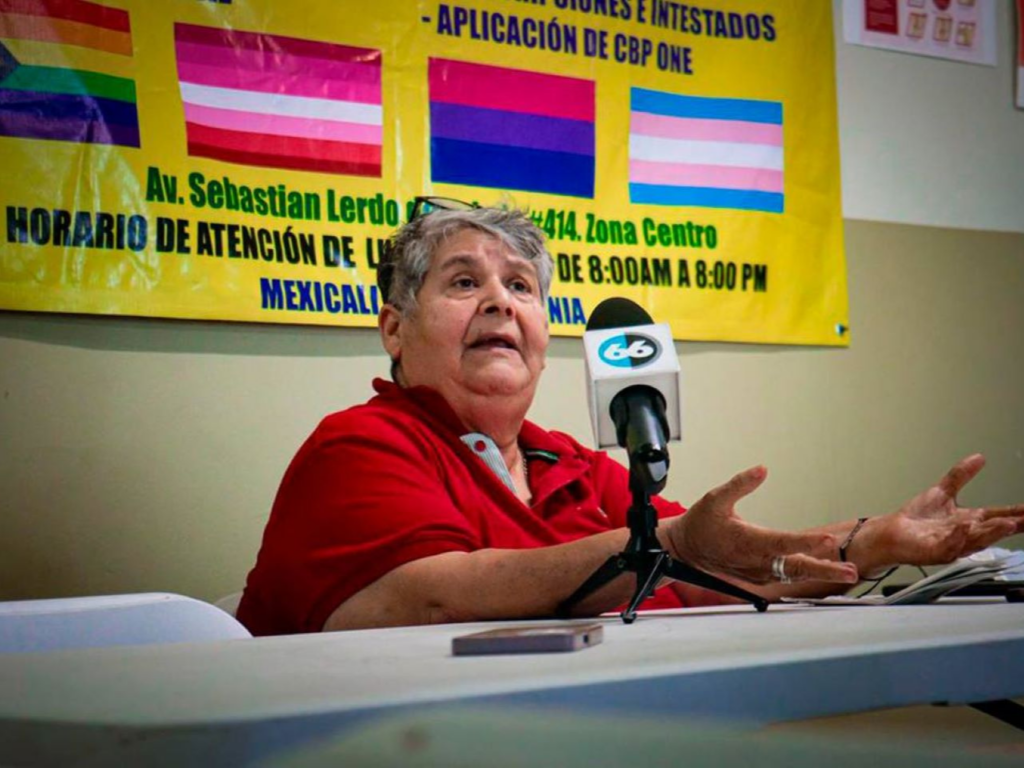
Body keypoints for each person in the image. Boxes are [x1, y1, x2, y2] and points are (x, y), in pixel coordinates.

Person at [236, 202, 1024, 636]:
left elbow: (716, 565)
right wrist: (664, 544)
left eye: (520, 287)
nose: (500, 302)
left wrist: (872, 542)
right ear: (394, 328)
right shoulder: (358, 444)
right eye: (463, 282)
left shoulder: (574, 466)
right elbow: (431, 600)